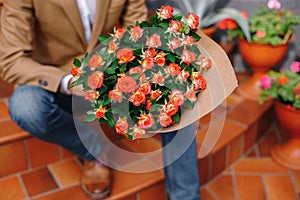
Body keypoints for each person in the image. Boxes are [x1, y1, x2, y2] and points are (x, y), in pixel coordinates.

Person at [0, 0, 201, 199]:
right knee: (26, 106)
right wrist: (68, 83)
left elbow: (136, 31)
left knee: (174, 92)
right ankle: (93, 150)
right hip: (59, 79)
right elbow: (10, 59)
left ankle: (185, 196)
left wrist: (135, 73)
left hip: (114, 74)